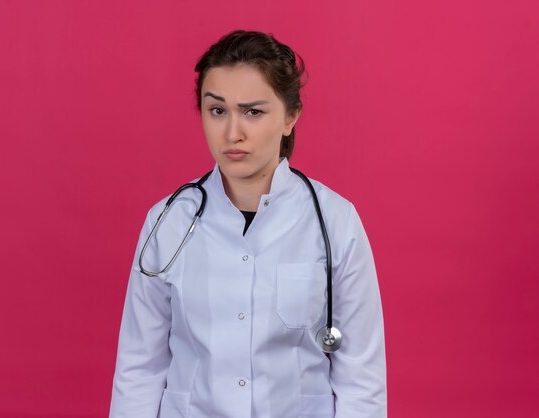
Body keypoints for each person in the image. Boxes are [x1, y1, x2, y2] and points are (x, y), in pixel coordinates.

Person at [109, 30, 386, 418]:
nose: (232, 133)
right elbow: (139, 368)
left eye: (253, 111)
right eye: (217, 110)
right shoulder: (168, 222)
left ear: (290, 117)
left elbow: (362, 376)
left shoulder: (336, 222)